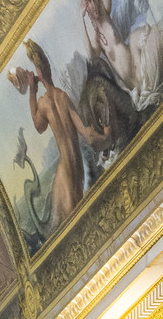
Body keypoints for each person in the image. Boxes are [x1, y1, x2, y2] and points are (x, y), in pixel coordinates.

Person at [9, 40, 98, 230]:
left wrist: (32, 92)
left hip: (66, 170)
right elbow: (84, 132)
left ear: (38, 73)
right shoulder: (63, 97)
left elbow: (38, 125)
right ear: (47, 67)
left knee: (72, 227)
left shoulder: (43, 103)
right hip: (75, 168)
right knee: (75, 224)